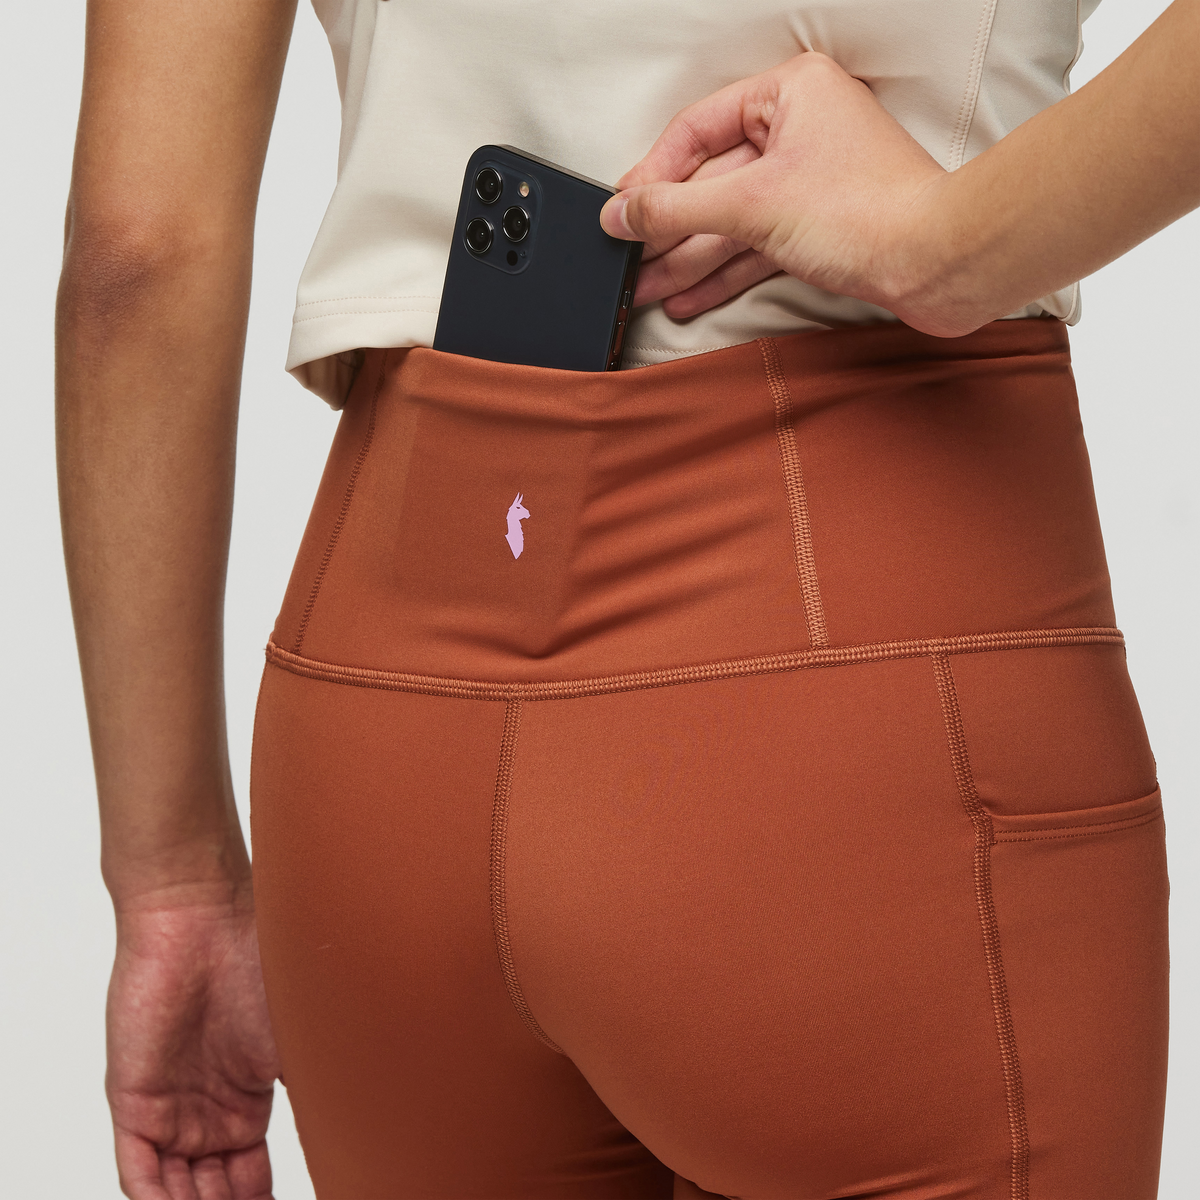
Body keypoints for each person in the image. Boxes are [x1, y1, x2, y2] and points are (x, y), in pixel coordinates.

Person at [55, 1, 1195, 1197]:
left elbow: (135, 256)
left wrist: (172, 888)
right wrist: (942, 246)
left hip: (385, 719)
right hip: (863, 652)